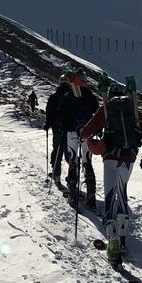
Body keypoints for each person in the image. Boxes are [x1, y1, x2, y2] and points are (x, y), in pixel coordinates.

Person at [80, 78, 142, 266]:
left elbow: (87, 130)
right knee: (122, 193)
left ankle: (112, 240)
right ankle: (122, 237)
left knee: (110, 197)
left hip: (111, 159)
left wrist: (82, 135)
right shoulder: (134, 111)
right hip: (129, 160)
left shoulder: (106, 108)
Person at [59, 71, 100, 209]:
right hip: (87, 132)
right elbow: (97, 112)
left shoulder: (68, 96)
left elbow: (62, 115)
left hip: (72, 132)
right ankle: (91, 195)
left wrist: (62, 127)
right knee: (87, 162)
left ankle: (72, 193)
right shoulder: (89, 95)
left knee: (73, 160)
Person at [43, 76, 70, 183]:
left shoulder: (54, 97)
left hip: (57, 128)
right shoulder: (73, 96)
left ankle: (56, 173)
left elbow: (49, 113)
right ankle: (72, 175)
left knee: (57, 150)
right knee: (70, 152)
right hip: (70, 129)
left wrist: (47, 124)